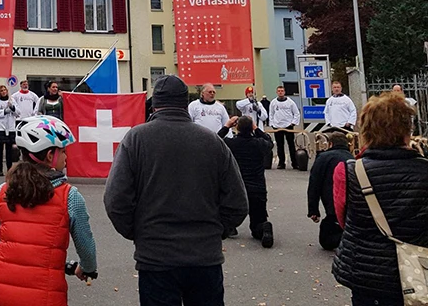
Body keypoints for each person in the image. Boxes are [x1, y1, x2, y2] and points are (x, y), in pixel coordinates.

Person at [104, 75, 248, 306]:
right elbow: (238, 202)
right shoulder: (212, 142)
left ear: (154, 105)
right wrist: (215, 231)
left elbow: (115, 199)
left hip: (156, 257)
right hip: (204, 257)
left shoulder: (136, 139)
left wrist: (139, 232)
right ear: (185, 103)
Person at [332, 91, 428, 305]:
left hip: (365, 271)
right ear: (407, 130)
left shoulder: (347, 172)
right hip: (422, 270)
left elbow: (343, 219)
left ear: (367, 131)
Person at [0, 116, 97, 306]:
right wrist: (87, 268)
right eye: (63, 151)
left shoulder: (6, 190)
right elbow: (85, 245)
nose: (67, 157)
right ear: (50, 156)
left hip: (0, 296)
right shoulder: (69, 197)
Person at [217, 115, 274, 247]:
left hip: (237, 186)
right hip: (257, 187)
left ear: (237, 127)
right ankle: (263, 227)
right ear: (252, 128)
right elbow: (269, 142)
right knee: (257, 221)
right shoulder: (259, 144)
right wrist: (256, 128)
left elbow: (216, 140)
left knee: (231, 213)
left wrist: (226, 126)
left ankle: (230, 227)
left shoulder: (232, 144)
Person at [307, 131, 352, 250]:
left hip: (331, 199)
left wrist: (313, 210)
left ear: (330, 144)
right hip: (351, 200)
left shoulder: (323, 158)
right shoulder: (352, 158)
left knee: (326, 241)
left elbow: (314, 184)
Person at [269, 86, 300, 169]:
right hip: (278, 126)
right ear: (276, 92)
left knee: (291, 145)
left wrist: (293, 123)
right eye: (279, 91)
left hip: (288, 126)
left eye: (282, 91)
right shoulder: (273, 102)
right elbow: (271, 114)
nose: (280, 92)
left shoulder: (290, 102)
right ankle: (281, 163)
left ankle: (295, 163)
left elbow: (296, 113)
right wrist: (272, 124)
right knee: (280, 145)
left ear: (284, 92)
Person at [0, 85, 17, 177]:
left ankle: (9, 169)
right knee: (0, 150)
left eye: (5, 90)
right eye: (1, 91)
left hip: (10, 127)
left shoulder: (11, 100)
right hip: (1, 128)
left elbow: (18, 113)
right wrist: (4, 111)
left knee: (9, 150)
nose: (4, 92)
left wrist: (13, 108)